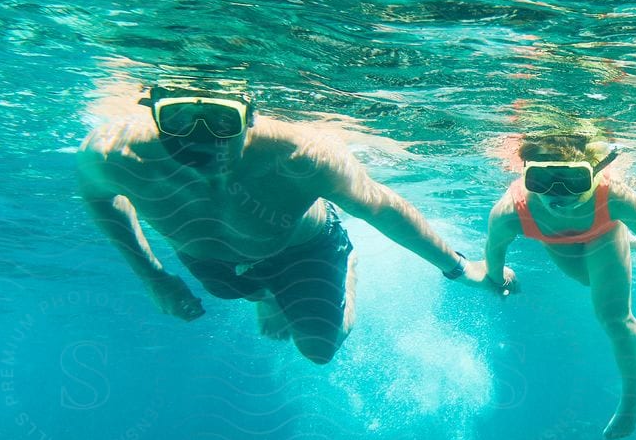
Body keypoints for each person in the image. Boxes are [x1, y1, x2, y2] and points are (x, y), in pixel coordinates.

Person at [77, 84, 505, 364]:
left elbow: (381, 207)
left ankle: (344, 265)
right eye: (179, 119)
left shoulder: (302, 155)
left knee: (319, 349)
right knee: (237, 291)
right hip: (210, 265)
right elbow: (100, 198)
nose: (201, 137)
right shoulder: (112, 153)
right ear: (153, 112)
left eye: (223, 120)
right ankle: (266, 294)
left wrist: (460, 268)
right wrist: (154, 276)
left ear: (250, 114)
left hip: (304, 249)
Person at [482, 132, 636, 440]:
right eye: (541, 180)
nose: (556, 193)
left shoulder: (614, 196)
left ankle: (632, 395)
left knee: (612, 316)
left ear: (595, 173)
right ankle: (624, 240)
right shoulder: (510, 212)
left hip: (603, 231)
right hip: (556, 239)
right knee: (587, 280)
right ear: (526, 174)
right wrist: (498, 278)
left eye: (572, 180)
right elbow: (494, 254)